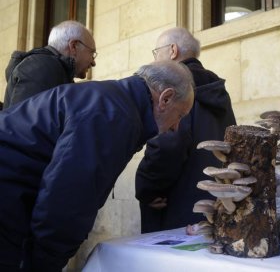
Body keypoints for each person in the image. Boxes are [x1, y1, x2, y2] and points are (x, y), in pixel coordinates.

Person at [0, 60, 194, 272]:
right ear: (165, 98)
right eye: (180, 115)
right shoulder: (115, 115)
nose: (176, 127)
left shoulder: (113, 100)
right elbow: (68, 199)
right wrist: (44, 262)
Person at [135, 27, 236, 233]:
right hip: (213, 206)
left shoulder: (176, 86)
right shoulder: (217, 91)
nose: (155, 60)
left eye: (156, 52)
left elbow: (168, 145)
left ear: (172, 50)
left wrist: (147, 189)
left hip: (174, 206)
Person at [3, 20, 97, 109]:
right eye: (92, 53)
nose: (93, 63)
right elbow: (25, 122)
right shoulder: (42, 68)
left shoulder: (49, 68)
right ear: (73, 46)